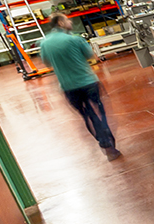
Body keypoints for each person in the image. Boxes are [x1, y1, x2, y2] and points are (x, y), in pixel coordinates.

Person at [38, 13, 120, 160]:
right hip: (87, 82)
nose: (70, 21)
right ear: (61, 23)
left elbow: (47, 63)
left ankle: (105, 145)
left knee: (87, 115)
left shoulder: (44, 43)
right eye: (67, 19)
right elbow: (90, 55)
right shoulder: (75, 39)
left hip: (68, 87)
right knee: (100, 113)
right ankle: (110, 144)